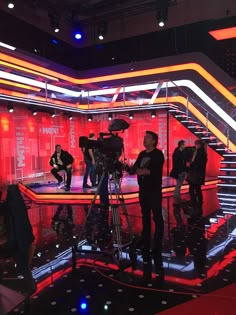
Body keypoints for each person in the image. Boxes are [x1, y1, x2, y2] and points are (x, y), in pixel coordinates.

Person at [131, 131, 164, 270]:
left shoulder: (158, 154)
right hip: (143, 189)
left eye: (148, 138)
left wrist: (144, 171)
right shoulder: (142, 154)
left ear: (154, 141)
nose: (145, 140)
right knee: (145, 215)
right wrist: (131, 169)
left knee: (156, 215)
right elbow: (135, 168)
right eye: (144, 138)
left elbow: (155, 171)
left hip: (154, 190)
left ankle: (157, 243)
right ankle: (145, 240)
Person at [187, 139, 207, 211]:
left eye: (197, 144)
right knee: (196, 189)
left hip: (196, 174)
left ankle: (194, 202)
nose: (196, 146)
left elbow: (198, 164)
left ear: (200, 145)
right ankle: (197, 202)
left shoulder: (200, 153)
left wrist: (191, 164)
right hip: (196, 174)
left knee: (193, 188)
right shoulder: (199, 152)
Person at [170, 140, 188, 204]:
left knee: (179, 184)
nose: (185, 146)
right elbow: (177, 163)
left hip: (181, 171)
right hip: (179, 171)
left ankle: (176, 195)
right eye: (184, 144)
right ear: (181, 145)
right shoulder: (177, 153)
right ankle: (176, 196)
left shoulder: (180, 152)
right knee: (179, 184)